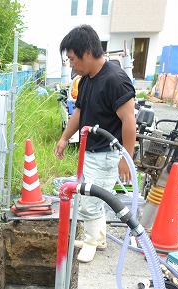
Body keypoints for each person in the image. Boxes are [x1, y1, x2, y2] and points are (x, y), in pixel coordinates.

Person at [54, 25, 137, 263]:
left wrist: (126, 158)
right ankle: (96, 237)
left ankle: (93, 241)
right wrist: (63, 137)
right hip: (89, 150)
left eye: (71, 58)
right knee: (90, 198)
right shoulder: (88, 79)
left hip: (107, 153)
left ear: (87, 53)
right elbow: (80, 112)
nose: (70, 64)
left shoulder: (115, 80)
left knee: (90, 201)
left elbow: (129, 122)